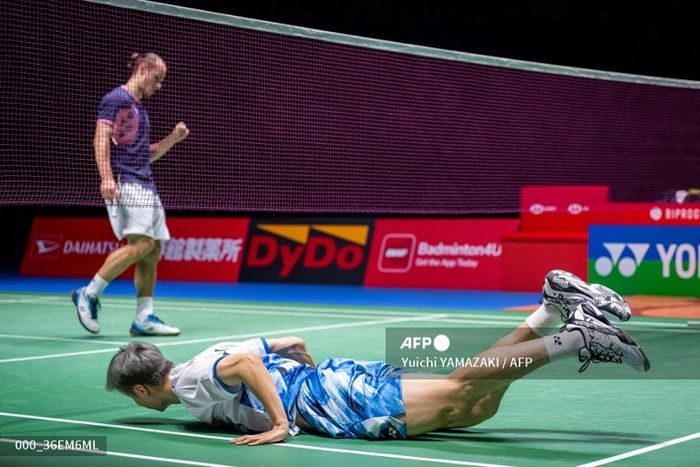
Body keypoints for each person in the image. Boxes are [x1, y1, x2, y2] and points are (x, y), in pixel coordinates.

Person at [105, 270, 649, 444]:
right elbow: (262, 350)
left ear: (143, 390)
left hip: (325, 400)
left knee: (462, 394)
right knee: (475, 405)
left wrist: (277, 424)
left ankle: (577, 338)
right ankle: (549, 309)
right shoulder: (202, 364)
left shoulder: (193, 380)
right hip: (330, 383)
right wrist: (287, 347)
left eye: (133, 397)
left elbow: (245, 366)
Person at [72, 52, 189, 336]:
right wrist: (107, 177)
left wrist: (173, 139)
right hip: (127, 183)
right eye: (157, 78)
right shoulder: (116, 99)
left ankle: (144, 317)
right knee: (140, 245)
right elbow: (100, 137)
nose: (159, 86)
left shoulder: (140, 111)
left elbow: (145, 155)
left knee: (153, 249)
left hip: (146, 184)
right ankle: (89, 292)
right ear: (143, 69)